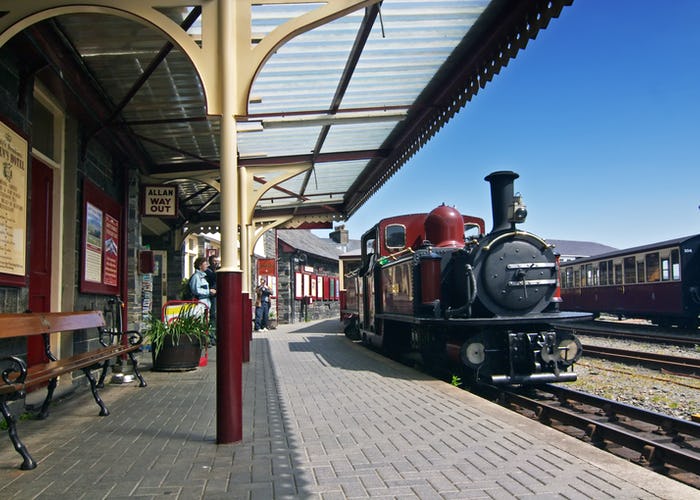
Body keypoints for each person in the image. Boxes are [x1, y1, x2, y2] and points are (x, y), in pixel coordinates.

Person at [204, 255, 219, 339]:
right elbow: (214, 277)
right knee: (212, 315)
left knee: (216, 315)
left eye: (217, 260)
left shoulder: (217, 269)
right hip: (211, 296)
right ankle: (211, 336)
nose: (216, 262)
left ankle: (215, 334)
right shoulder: (208, 271)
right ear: (210, 262)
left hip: (217, 295)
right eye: (214, 261)